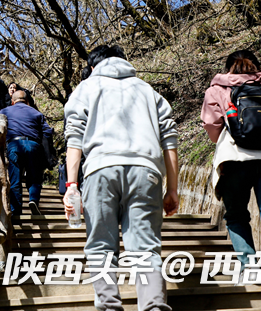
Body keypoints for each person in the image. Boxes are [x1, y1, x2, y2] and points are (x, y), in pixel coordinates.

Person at [63, 45, 179, 311]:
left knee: (101, 245)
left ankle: (109, 306)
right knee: (145, 248)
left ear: (92, 68)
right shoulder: (149, 92)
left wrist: (71, 186)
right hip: (145, 171)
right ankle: (153, 307)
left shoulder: (85, 89)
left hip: (100, 170)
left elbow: (75, 138)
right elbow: (169, 141)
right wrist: (172, 188)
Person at [201, 49, 261, 307]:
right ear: (255, 65)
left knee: (236, 215)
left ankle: (250, 268)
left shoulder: (217, 89)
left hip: (235, 159)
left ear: (228, 67)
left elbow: (213, 129)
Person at [0, 90, 54, 216]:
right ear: (27, 101)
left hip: (14, 145)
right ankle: (33, 200)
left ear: (12, 101)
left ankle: (16, 210)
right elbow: (48, 132)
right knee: (34, 177)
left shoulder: (5, 111)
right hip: (33, 145)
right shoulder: (36, 113)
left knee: (15, 177)